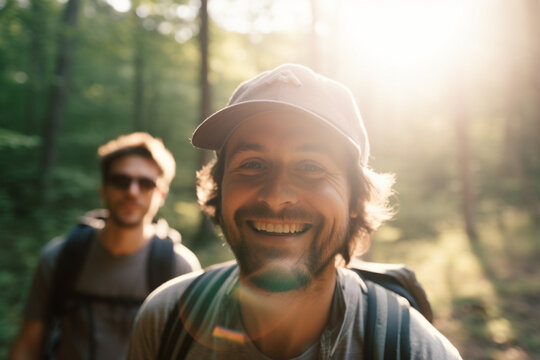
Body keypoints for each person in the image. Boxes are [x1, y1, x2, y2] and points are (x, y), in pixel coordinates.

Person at [127, 64, 462, 359]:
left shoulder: (418, 352)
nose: (276, 197)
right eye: (253, 164)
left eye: (311, 166)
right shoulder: (166, 321)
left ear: (355, 201)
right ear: (219, 189)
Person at [9, 132, 201, 360]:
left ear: (161, 194)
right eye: (121, 181)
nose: (132, 191)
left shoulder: (180, 268)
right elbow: (29, 342)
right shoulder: (60, 257)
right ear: (104, 189)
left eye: (146, 183)